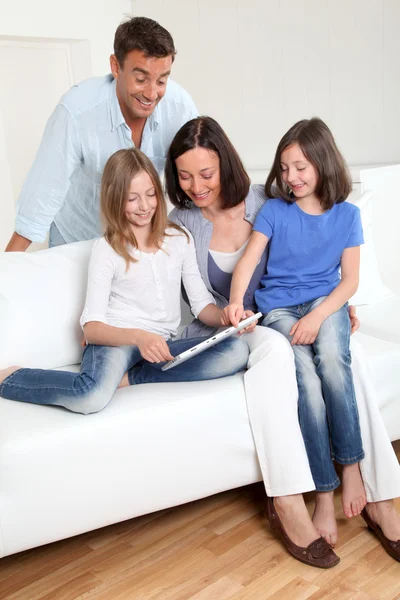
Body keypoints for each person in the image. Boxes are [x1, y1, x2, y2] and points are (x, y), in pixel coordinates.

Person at [166, 116, 400, 564]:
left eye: (207, 174)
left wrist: (329, 307)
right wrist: (232, 314)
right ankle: (294, 499)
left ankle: (379, 493)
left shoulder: (264, 199)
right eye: (184, 175)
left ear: (226, 165)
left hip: (294, 312)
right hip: (239, 326)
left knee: (349, 356)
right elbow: (199, 300)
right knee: (279, 353)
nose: (197, 186)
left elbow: (312, 247)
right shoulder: (182, 222)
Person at [0, 148, 251, 414]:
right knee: (91, 397)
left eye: (151, 194)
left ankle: (132, 377)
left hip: (158, 346)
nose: (144, 206)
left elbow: (201, 305)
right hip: (115, 342)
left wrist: (227, 317)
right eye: (132, 198)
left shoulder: (180, 239)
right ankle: (11, 377)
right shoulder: (107, 249)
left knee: (236, 351)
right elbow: (92, 329)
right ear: (116, 199)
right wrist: (138, 338)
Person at [224, 117, 367, 542]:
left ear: (323, 162)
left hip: (324, 306)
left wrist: (319, 316)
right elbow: (248, 262)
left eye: (300, 166)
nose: (291, 176)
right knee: (304, 378)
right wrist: (235, 302)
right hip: (280, 309)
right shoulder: (274, 211)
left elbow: (350, 281)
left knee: (335, 367)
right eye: (284, 168)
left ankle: (352, 469)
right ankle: (324, 493)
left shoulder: (348, 215)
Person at [5, 16, 197, 252]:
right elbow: (43, 192)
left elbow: (195, 174)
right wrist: (8, 269)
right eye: (140, 79)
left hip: (138, 242)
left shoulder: (180, 107)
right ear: (116, 67)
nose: (151, 93)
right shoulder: (76, 112)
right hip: (78, 239)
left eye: (161, 80)